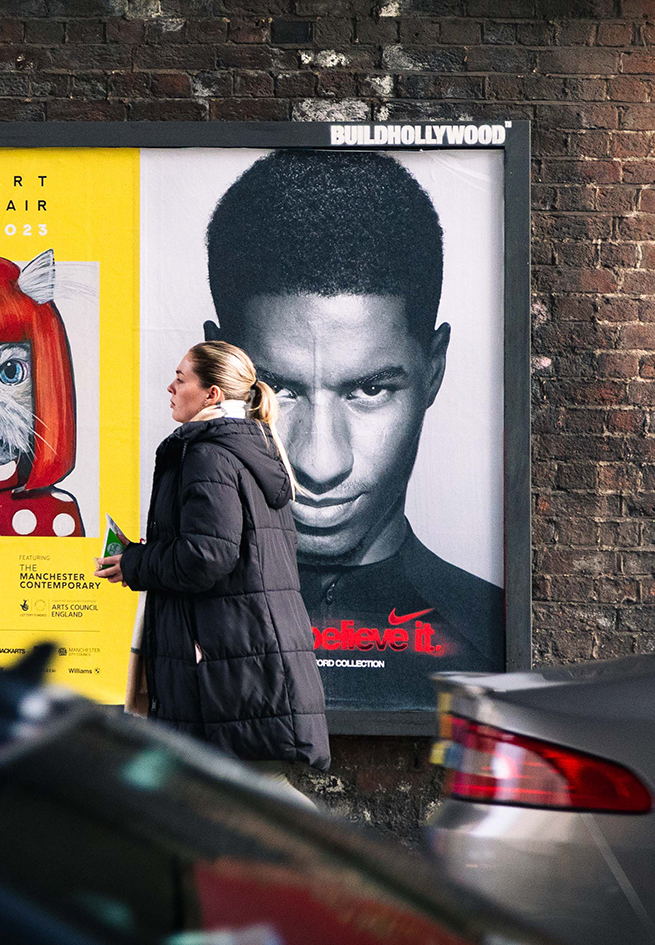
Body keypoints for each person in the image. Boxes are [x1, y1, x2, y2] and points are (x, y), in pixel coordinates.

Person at [203, 149, 505, 711]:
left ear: (433, 371)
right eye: (275, 391)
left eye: (369, 390)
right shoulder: (140, 629)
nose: (319, 464)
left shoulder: (494, 647)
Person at [97, 341, 330, 773]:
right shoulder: (250, 448)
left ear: (212, 395)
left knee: (249, 805)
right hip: (249, 660)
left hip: (227, 670)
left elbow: (205, 556)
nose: (170, 387)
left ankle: (345, 846)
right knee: (249, 801)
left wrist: (136, 563)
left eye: (181, 378)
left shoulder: (208, 454)